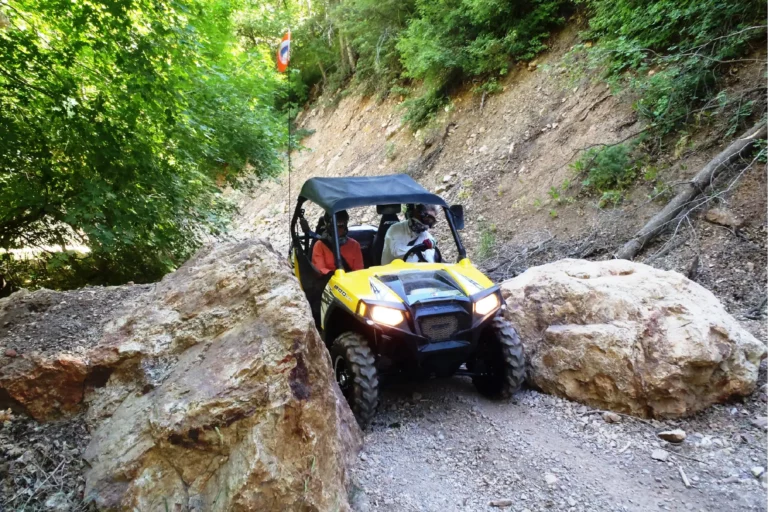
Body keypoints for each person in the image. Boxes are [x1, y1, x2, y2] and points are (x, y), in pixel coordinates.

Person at [312, 210, 364, 274]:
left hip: (350, 281)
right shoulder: (319, 245)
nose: (337, 229)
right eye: (333, 226)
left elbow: (359, 271)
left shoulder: (354, 245)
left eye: (340, 225)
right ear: (328, 226)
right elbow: (320, 270)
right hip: (329, 281)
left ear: (345, 225)